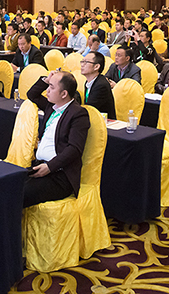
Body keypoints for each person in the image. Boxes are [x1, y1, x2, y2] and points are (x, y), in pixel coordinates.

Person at [24, 70, 90, 208]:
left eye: (52, 87)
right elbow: (32, 94)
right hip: (39, 165)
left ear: (64, 94)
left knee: (19, 193)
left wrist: (50, 167)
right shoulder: (51, 106)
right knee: (7, 184)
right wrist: (46, 80)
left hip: (59, 175)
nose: (47, 91)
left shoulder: (78, 114)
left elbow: (74, 149)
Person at [79, 52, 116, 119]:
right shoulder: (88, 82)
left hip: (105, 122)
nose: (82, 65)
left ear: (96, 67)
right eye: (82, 61)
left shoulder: (101, 85)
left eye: (86, 62)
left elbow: (90, 108)